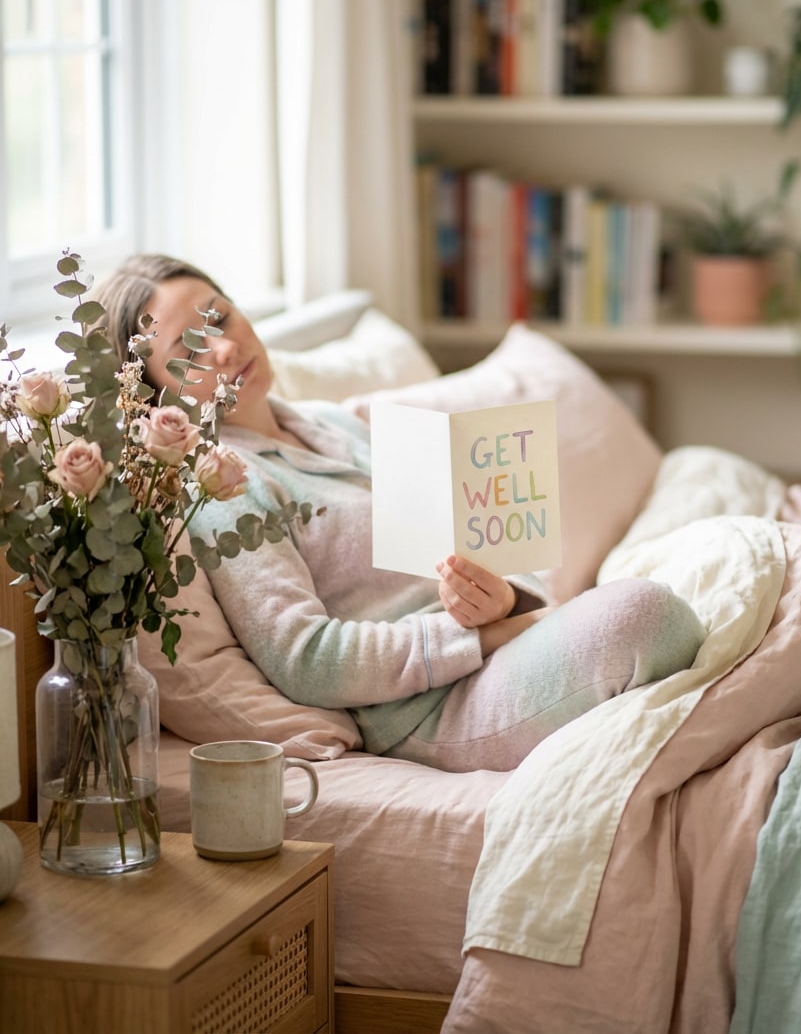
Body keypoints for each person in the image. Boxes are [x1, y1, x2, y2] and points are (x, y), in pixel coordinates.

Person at [94, 255, 706, 772]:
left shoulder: (335, 423)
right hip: (430, 707)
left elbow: (483, 541)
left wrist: (505, 601)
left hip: (504, 648)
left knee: (706, 587)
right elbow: (306, 661)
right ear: (154, 389)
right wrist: (488, 634)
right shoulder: (225, 489)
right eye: (190, 348)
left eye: (220, 316)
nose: (225, 347)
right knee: (652, 616)